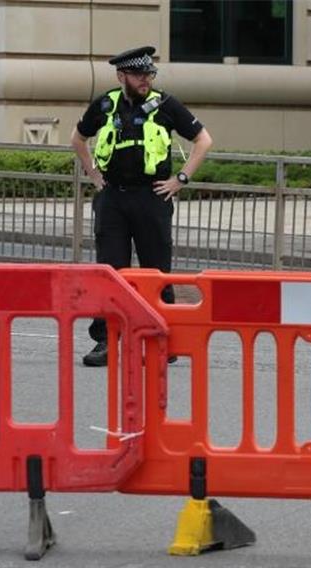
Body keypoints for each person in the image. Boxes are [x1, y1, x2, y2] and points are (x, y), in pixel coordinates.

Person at [71, 45, 213, 366]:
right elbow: (77, 139)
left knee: (156, 269)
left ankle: (164, 339)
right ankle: (106, 341)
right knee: (111, 271)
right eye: (138, 74)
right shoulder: (106, 105)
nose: (145, 79)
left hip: (152, 197)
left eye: (148, 73)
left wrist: (181, 179)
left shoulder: (165, 104)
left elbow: (204, 140)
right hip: (113, 199)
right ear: (122, 76)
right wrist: (93, 174)